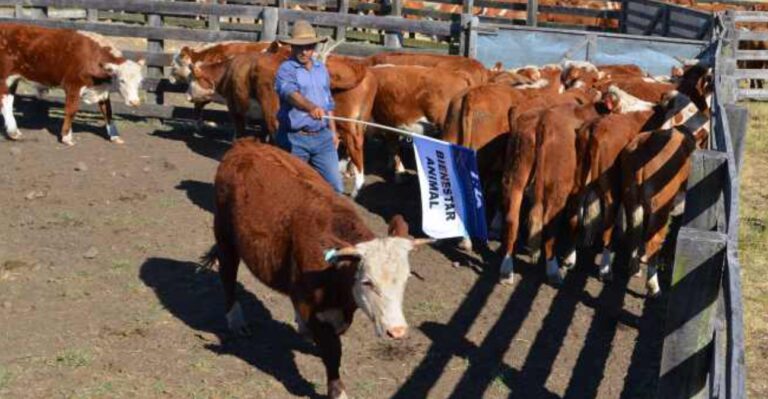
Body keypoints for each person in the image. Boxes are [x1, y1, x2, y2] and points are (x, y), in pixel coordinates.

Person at [274, 20, 344, 193]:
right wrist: (310, 107)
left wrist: (333, 131)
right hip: (295, 138)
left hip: (323, 138)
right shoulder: (286, 69)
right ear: (292, 47)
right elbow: (289, 93)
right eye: (299, 47)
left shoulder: (321, 69)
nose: (304, 52)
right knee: (293, 188)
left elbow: (328, 102)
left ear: (314, 47)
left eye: (308, 47)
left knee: (336, 187)